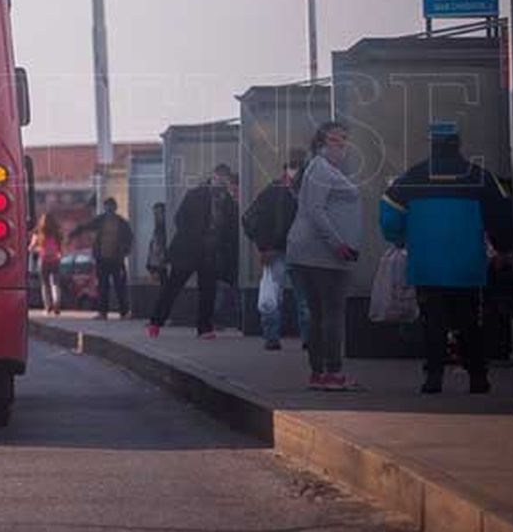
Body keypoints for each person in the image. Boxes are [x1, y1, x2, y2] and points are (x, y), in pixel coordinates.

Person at [380, 121, 513, 394]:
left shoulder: (414, 177)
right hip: (467, 265)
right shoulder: (479, 176)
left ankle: (433, 379)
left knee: (433, 322)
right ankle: (478, 377)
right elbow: (502, 212)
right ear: (458, 143)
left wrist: (399, 237)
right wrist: (503, 248)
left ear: (432, 144)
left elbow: (389, 210)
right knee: (469, 322)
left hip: (427, 265)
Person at [286, 121, 362, 391]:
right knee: (331, 314)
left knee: (319, 316)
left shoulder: (318, 169)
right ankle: (333, 373)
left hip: (308, 253)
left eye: (344, 140)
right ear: (320, 143)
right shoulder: (321, 169)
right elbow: (317, 210)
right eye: (335, 141)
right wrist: (338, 244)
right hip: (323, 255)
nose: (341, 146)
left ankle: (318, 373)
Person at [147, 164, 240, 339]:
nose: (221, 181)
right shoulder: (196, 194)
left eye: (224, 179)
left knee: (208, 291)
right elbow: (180, 218)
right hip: (188, 250)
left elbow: (230, 229)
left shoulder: (228, 201)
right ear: (212, 177)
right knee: (173, 287)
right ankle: (155, 322)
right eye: (218, 177)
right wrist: (194, 236)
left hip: (210, 252)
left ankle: (204, 328)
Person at [242, 149, 311, 351]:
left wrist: (264, 246)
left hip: (283, 251)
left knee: (274, 297)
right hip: (290, 251)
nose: (295, 170)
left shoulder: (275, 190)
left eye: (298, 165)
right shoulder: (297, 191)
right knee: (301, 298)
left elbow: (250, 218)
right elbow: (251, 218)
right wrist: (264, 246)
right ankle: (302, 338)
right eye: (294, 165)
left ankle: (275, 337)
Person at [70, 197, 135, 319]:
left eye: (111, 206)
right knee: (102, 286)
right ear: (105, 208)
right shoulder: (100, 220)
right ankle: (103, 312)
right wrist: (74, 233)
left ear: (115, 208)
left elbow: (129, 238)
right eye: (107, 206)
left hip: (116, 259)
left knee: (119, 286)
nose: (109, 208)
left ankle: (124, 311)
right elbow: (86, 226)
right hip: (102, 259)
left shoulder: (121, 222)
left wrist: (125, 251)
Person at [30, 211, 64, 316]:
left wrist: (39, 249)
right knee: (55, 283)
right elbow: (61, 248)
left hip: (43, 260)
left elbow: (31, 248)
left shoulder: (38, 232)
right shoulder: (57, 233)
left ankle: (48, 307)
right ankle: (57, 303)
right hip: (55, 260)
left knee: (45, 285)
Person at [146, 201, 171, 289]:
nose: (157, 216)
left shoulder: (167, 228)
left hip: (164, 262)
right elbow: (153, 246)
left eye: (159, 213)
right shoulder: (157, 228)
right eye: (155, 213)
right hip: (159, 262)